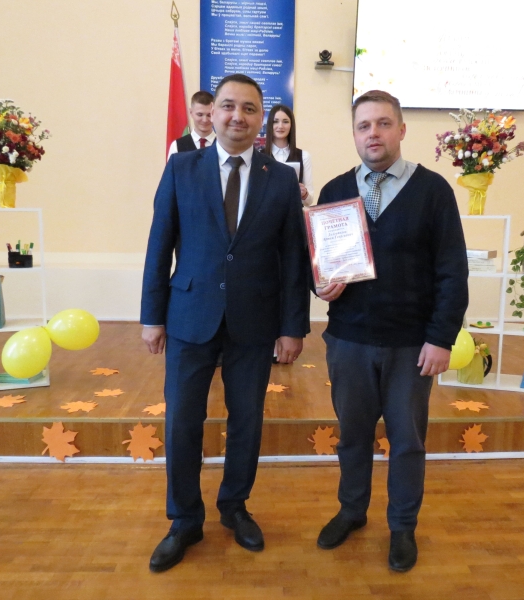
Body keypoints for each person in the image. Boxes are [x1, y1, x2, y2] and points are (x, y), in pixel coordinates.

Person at [141, 73, 309, 573]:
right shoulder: (181, 168)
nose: (239, 116)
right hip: (189, 316)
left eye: (250, 108)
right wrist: (152, 316)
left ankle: (234, 506)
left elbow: (293, 258)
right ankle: (184, 519)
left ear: (262, 120)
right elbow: (159, 244)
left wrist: (293, 326)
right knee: (182, 422)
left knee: (247, 420)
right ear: (211, 113)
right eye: (229, 106)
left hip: (254, 321)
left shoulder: (281, 179)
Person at [314, 90, 468, 572]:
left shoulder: (433, 191)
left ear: (401, 130)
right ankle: (351, 511)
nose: (373, 134)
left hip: (411, 345)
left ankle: (402, 526)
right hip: (349, 340)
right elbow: (314, 263)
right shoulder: (335, 191)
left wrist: (441, 338)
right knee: (352, 436)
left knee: (406, 442)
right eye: (364, 126)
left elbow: (452, 271)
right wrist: (319, 285)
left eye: (383, 123)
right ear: (354, 134)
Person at [263, 104, 314, 206]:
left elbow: (309, 201)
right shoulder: (259, 156)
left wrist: (304, 194)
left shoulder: (304, 156)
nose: (280, 126)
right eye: (275, 121)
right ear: (269, 125)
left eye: (285, 122)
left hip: (293, 213)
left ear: (291, 125)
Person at [167, 91, 215, 158]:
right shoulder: (177, 146)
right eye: (200, 115)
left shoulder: (224, 145)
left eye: (209, 115)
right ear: (191, 112)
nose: (205, 120)